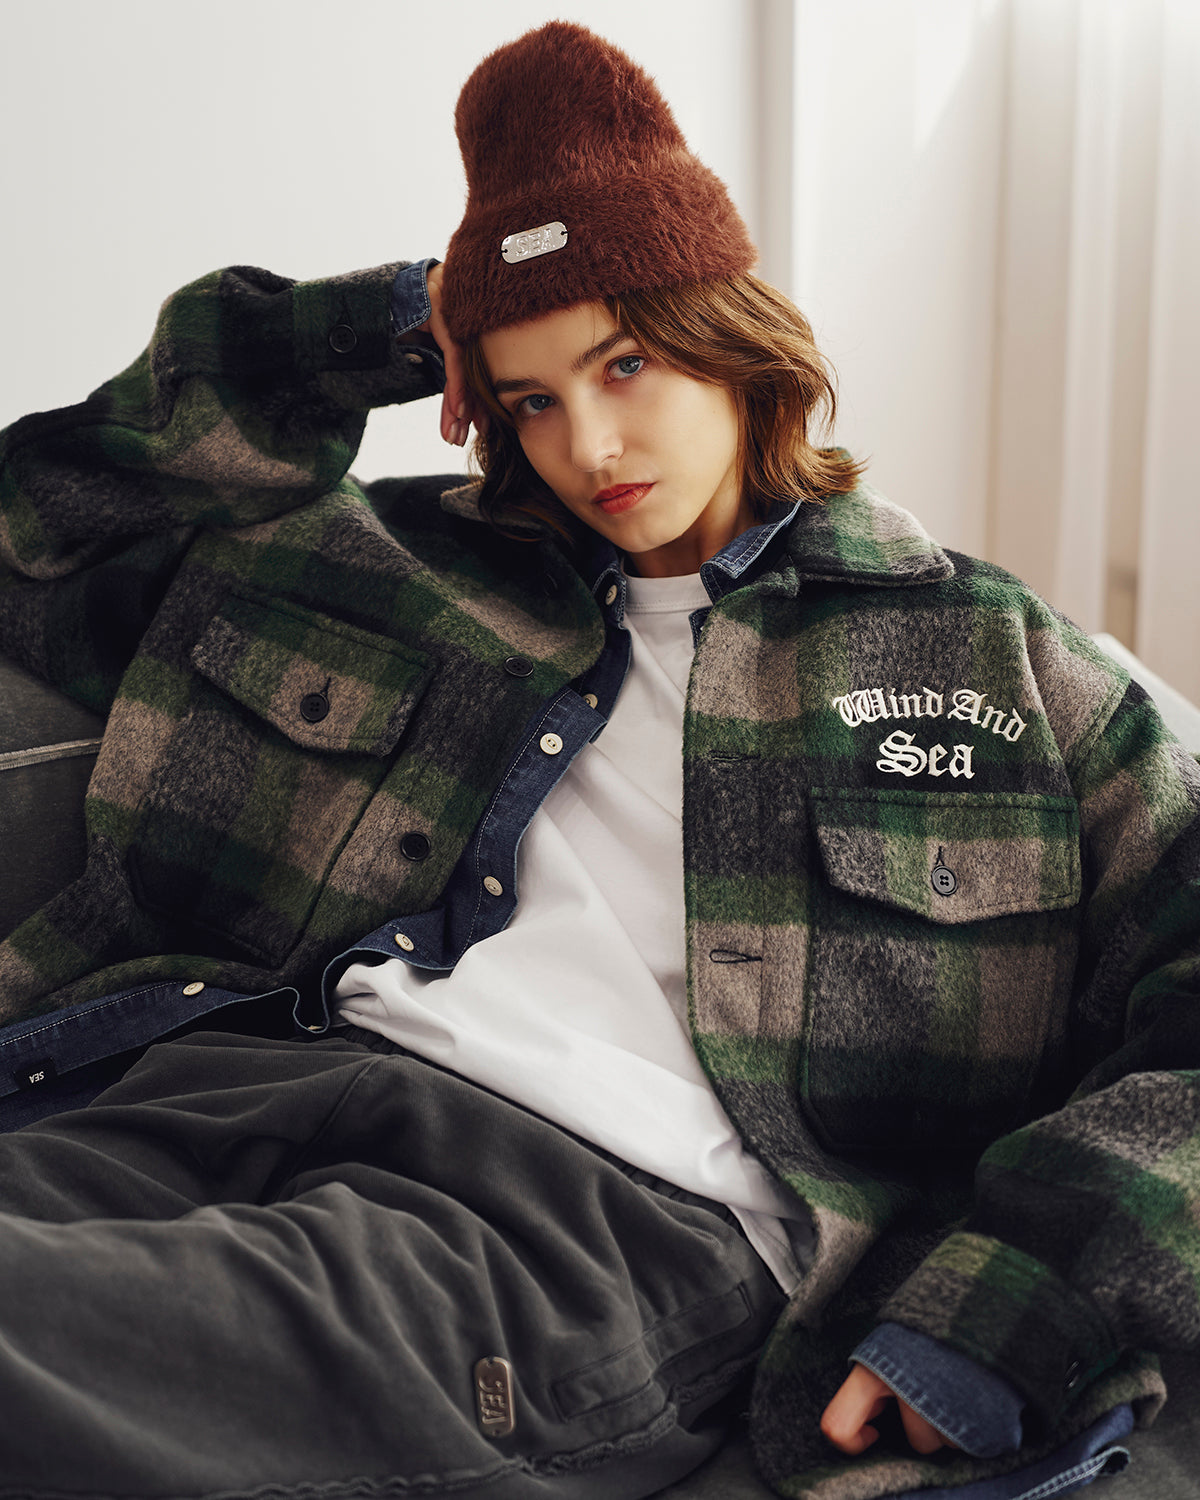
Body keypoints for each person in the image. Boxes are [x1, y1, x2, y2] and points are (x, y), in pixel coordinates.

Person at [0, 19, 1198, 1500]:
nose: (591, 444)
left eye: (625, 364)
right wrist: (388, 322)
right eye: (531, 397)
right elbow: (43, 522)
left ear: (730, 337)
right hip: (222, 1077)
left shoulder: (986, 658)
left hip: (584, 1211)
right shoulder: (379, 561)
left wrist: (1012, 1311)